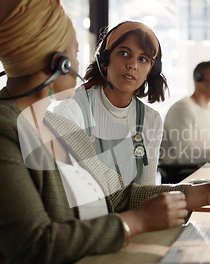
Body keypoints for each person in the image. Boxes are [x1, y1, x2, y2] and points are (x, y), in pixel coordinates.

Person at [0, 1, 210, 263]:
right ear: (58, 62)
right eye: (74, 50)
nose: (81, 58)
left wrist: (203, 193)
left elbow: (117, 196)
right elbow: (35, 246)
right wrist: (135, 223)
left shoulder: (57, 123)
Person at [54, 21, 165, 185]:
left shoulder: (151, 119)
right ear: (104, 59)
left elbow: (146, 187)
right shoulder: (73, 110)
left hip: (135, 209)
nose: (132, 65)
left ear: (151, 71)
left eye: (143, 59)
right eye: (124, 53)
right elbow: (70, 188)